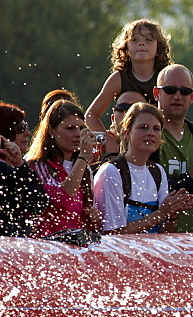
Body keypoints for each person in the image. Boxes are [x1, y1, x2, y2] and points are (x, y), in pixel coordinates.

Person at [93, 103, 193, 234]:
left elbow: (163, 233)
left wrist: (172, 215)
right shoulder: (111, 171)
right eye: (143, 128)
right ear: (128, 133)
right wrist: (161, 213)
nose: (150, 133)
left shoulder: (158, 172)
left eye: (156, 129)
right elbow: (113, 233)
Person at [152, 64, 193, 232]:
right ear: (156, 94)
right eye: (170, 90)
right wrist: (192, 177)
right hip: (155, 242)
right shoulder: (146, 137)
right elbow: (144, 190)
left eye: (184, 91)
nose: (177, 96)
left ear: (192, 96)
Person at [25, 100, 102, 237]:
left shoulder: (85, 170)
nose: (78, 134)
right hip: (44, 249)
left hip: (73, 252)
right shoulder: (37, 166)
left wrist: (93, 217)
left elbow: (85, 223)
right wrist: (83, 157)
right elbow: (62, 199)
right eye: (70, 128)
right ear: (51, 131)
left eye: (81, 128)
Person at [85, 19, 172, 132]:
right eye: (134, 40)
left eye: (149, 40)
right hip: (123, 138)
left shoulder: (166, 78)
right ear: (126, 48)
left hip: (158, 136)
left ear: (158, 49)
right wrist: (108, 141)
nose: (141, 43)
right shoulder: (118, 79)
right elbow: (91, 115)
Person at [0, 104, 47, 237]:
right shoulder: (6, 171)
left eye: (25, 126)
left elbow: (39, 203)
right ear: (4, 132)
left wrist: (20, 165)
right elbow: (37, 203)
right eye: (20, 128)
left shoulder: (17, 168)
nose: (28, 133)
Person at [99, 91, 146, 160]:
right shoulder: (101, 144)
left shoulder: (157, 147)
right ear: (113, 118)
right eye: (123, 108)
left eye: (138, 109)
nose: (130, 114)